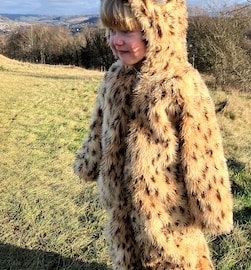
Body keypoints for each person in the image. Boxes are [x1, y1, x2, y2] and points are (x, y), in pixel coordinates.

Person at [73, 0, 233, 269]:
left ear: (158, 31)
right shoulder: (114, 77)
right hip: (120, 205)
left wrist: (212, 207)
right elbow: (98, 126)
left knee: (175, 260)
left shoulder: (181, 84)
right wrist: (88, 162)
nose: (116, 41)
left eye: (126, 32)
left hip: (167, 211)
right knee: (126, 257)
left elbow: (203, 150)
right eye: (111, 32)